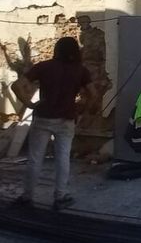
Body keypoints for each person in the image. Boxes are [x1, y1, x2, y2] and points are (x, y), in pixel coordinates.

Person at [11, 37, 93, 209]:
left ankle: (27, 197)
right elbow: (93, 94)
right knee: (63, 158)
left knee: (35, 159)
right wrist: (84, 111)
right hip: (66, 119)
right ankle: (60, 197)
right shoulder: (81, 70)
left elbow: (16, 86)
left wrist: (30, 104)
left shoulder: (44, 66)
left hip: (43, 117)